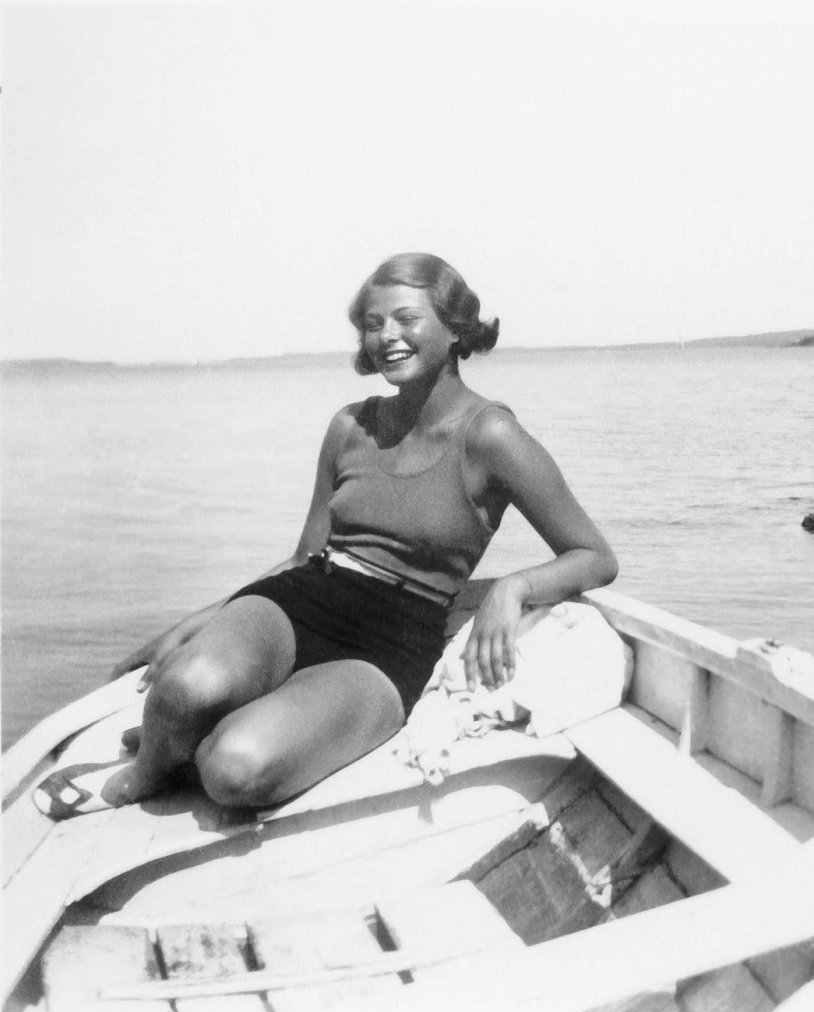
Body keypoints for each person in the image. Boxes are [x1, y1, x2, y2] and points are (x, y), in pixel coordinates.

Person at [50, 252, 618, 814]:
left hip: (391, 641)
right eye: (373, 324)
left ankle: (188, 741)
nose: (386, 336)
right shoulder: (350, 425)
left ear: (454, 328)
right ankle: (152, 766)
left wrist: (512, 587)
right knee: (184, 689)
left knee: (234, 771)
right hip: (306, 595)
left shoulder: (491, 433)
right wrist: (206, 614)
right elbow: (304, 555)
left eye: (406, 318)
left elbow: (593, 555)